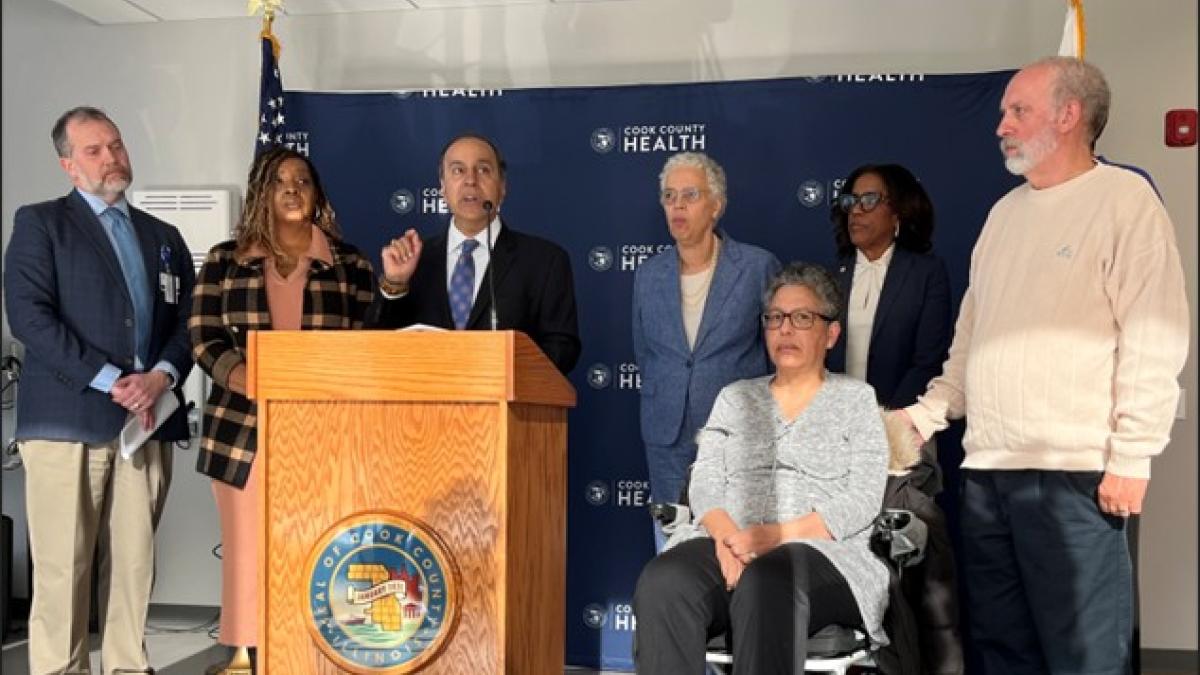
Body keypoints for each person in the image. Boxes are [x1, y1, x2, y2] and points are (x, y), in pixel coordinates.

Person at [899, 57, 1188, 674]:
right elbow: (972, 338)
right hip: (987, 474)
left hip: (1075, 476)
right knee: (1003, 652)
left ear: (1068, 114)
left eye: (1016, 110)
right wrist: (928, 414)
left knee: (1082, 658)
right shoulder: (1003, 215)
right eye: (1004, 111)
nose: (1000, 124)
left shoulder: (1124, 201)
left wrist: (1133, 456)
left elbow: (1154, 335)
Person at [3, 106, 195, 674]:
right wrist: (112, 380)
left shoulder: (164, 237)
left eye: (116, 145)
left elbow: (191, 321)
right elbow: (29, 319)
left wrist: (161, 375)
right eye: (94, 150)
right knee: (64, 568)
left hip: (146, 423)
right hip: (68, 423)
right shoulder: (41, 224)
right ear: (68, 165)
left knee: (135, 567)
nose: (111, 157)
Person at [633, 262, 890, 675]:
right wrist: (725, 539)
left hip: (821, 553)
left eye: (802, 318)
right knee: (665, 581)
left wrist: (774, 536)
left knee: (768, 580)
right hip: (728, 540)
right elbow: (706, 481)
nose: (785, 329)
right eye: (775, 318)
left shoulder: (855, 400)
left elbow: (862, 499)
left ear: (831, 334)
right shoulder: (735, 398)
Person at [189, 147, 376, 672]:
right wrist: (244, 376)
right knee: (248, 548)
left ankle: (319, 652)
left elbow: (370, 339)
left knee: (322, 545)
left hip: (326, 432)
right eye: (279, 181)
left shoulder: (351, 262)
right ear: (261, 194)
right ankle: (247, 658)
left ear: (318, 195)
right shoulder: (225, 259)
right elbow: (203, 335)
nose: (292, 189)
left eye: (302, 181)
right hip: (244, 430)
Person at [632, 152, 780, 545]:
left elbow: (777, 358)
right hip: (667, 435)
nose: (677, 205)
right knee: (671, 552)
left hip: (736, 435)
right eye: (669, 196)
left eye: (690, 195)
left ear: (716, 205)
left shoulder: (756, 267)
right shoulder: (648, 276)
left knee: (735, 550)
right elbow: (645, 356)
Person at [371, 132, 581, 374]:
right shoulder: (416, 260)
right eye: (458, 171)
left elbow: (562, 350)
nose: (470, 180)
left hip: (507, 406)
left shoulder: (545, 261)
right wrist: (395, 283)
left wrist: (499, 370)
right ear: (442, 188)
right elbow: (377, 347)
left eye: (483, 170)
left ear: (502, 187)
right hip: (428, 406)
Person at [825, 163, 951, 411]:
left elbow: (928, 360)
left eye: (869, 200)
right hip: (838, 424)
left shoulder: (926, 273)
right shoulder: (831, 276)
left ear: (898, 212)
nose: (856, 211)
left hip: (903, 422)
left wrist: (887, 420)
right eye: (852, 201)